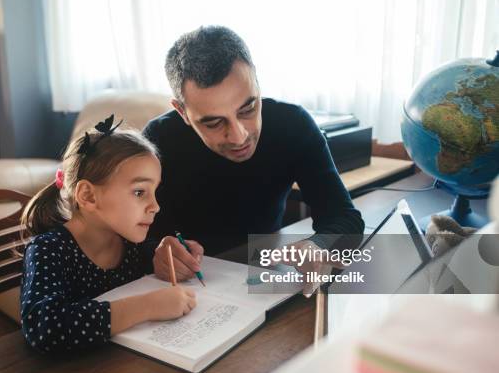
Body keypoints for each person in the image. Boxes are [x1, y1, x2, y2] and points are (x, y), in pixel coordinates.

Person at [143, 26, 364, 294]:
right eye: (213, 122)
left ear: (257, 83)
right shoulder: (158, 140)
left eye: (248, 108)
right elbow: (127, 236)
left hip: (261, 276)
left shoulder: (293, 125)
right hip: (187, 289)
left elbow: (344, 217)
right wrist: (154, 251)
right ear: (182, 112)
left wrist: (318, 245)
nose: (239, 136)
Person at [19, 117, 196, 353]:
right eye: (140, 192)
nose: (155, 206)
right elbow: (45, 328)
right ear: (89, 196)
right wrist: (148, 306)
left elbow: (153, 257)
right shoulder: (48, 250)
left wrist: (164, 255)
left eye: (155, 191)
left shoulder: (126, 241)